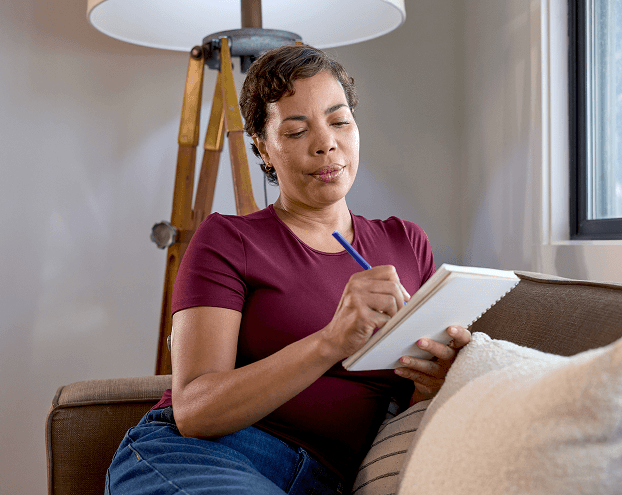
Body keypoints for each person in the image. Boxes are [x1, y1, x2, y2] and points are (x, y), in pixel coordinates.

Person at [105, 44, 471, 495]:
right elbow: (195, 412)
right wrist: (330, 341)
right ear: (263, 147)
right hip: (211, 454)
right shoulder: (228, 240)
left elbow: (404, 404)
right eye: (297, 131)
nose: (326, 143)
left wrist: (434, 381)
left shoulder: (406, 243)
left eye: (339, 122)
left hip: (326, 480)